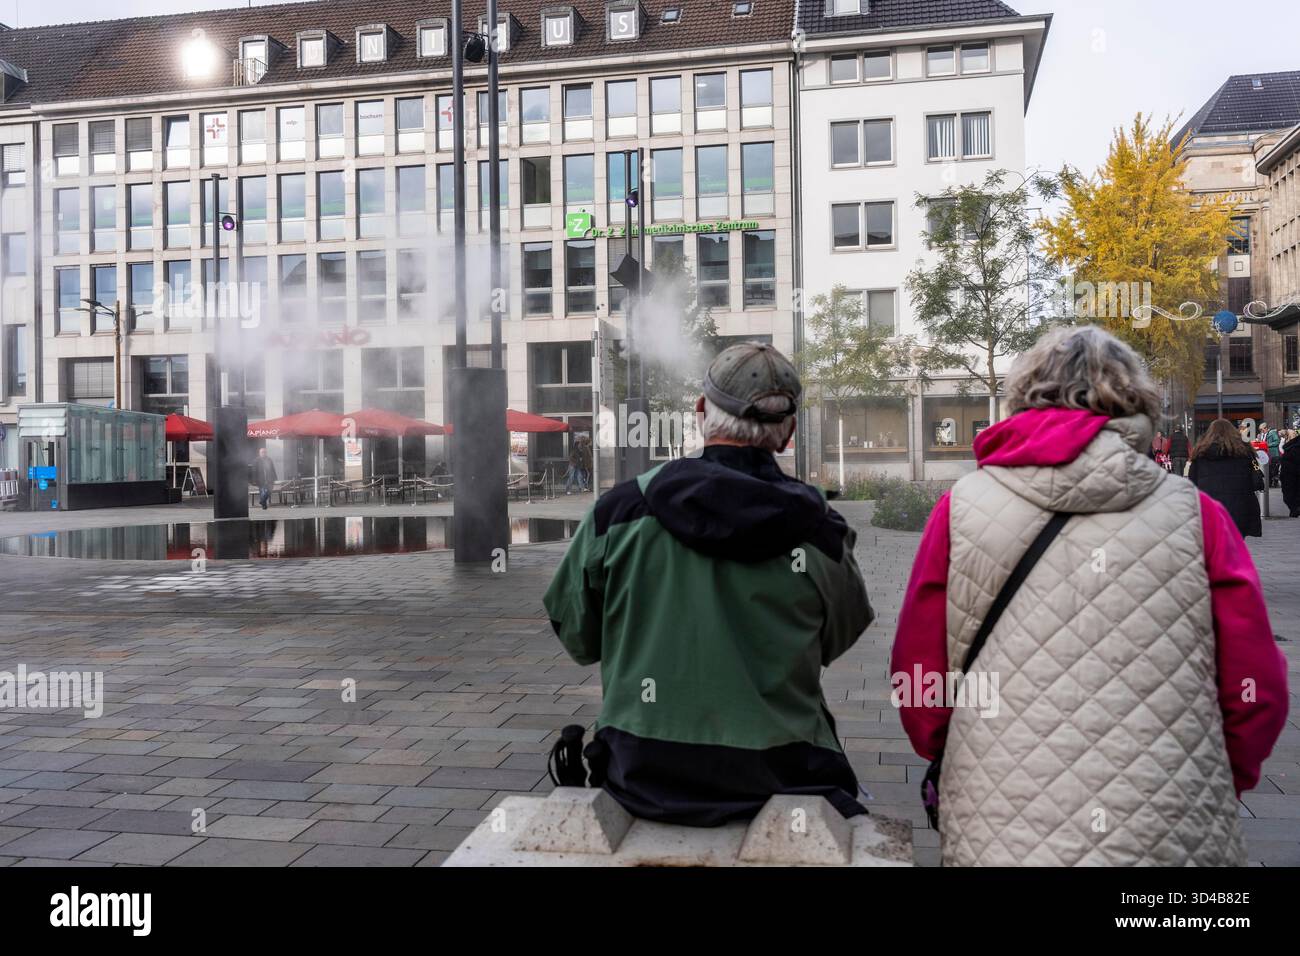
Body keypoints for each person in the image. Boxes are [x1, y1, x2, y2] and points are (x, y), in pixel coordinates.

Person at [892, 326, 1287, 866]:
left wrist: (955, 756)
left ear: (1024, 398)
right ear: (1135, 403)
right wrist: (1220, 776)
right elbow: (1256, 686)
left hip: (1003, 820)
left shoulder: (961, 509)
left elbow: (919, 675)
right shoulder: (1197, 515)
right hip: (1168, 826)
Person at [544, 343, 874, 825]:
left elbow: (577, 635)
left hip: (642, 773)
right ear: (789, 434)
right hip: (784, 772)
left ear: (701, 413)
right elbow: (838, 637)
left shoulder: (616, 516)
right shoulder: (824, 534)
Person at [1189, 419, 1264, 538]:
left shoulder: (1201, 454)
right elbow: (1254, 481)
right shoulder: (1244, 451)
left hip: (1211, 510)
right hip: (1240, 509)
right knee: (1237, 543)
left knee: (1216, 546)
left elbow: (1192, 484)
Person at [1280, 428, 1300, 517]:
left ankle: (1294, 510)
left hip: (1290, 475)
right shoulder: (1291, 446)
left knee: (1290, 495)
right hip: (1290, 475)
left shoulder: (1292, 447)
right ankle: (1294, 509)